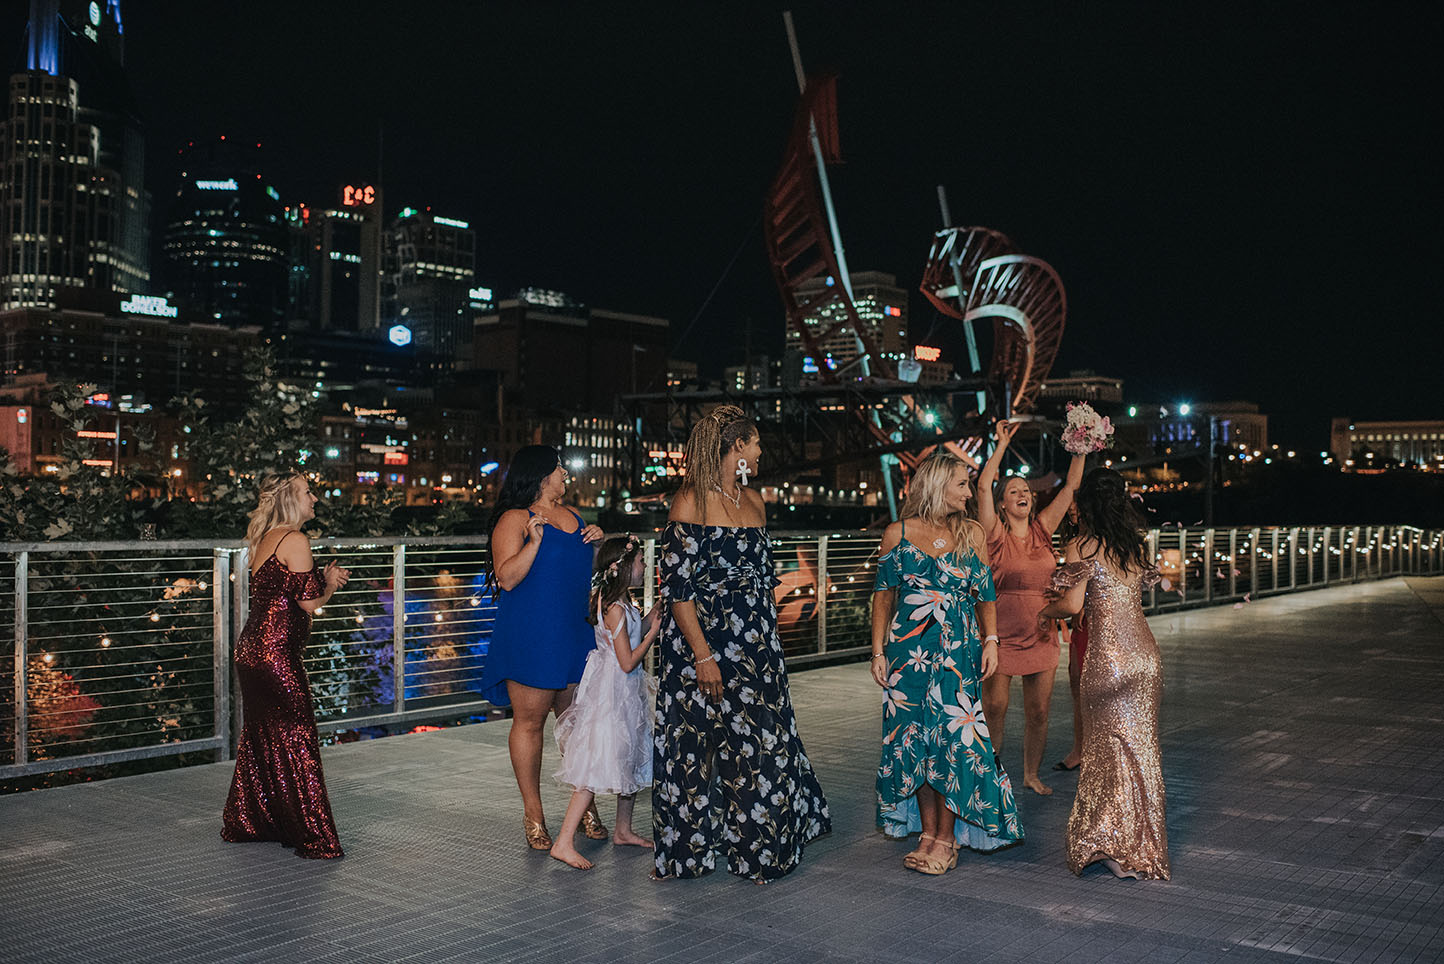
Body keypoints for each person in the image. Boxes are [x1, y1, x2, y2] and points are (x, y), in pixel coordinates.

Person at [653, 404, 831, 881]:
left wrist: (770, 641)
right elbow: (676, 590)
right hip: (699, 647)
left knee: (763, 746)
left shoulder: (755, 502)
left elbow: (762, 580)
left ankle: (759, 852)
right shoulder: (689, 501)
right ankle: (687, 854)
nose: (761, 449)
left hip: (755, 647)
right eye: (755, 442)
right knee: (691, 749)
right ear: (737, 448)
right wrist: (704, 656)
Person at [870, 451, 1022, 875]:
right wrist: (878, 651)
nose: (968, 492)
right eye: (962, 483)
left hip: (958, 652)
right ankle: (928, 831)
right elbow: (883, 596)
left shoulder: (972, 533)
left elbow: (985, 594)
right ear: (937, 485)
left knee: (954, 741)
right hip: (907, 653)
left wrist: (991, 641)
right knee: (914, 739)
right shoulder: (896, 533)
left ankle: (947, 838)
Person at [1039, 468, 1170, 880]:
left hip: (1108, 660)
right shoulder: (1132, 545)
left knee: (1103, 752)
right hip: (1145, 657)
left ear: (1088, 504)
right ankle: (1143, 845)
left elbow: (1074, 605)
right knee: (1141, 751)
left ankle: (1107, 843)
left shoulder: (1081, 546)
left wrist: (1045, 611)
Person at [478, 445, 605, 851]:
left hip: (574, 634)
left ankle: (582, 805)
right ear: (540, 475)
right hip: (532, 636)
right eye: (558, 468)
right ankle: (534, 814)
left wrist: (599, 547)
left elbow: (582, 573)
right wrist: (532, 542)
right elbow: (507, 579)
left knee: (577, 726)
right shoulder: (514, 519)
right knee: (530, 724)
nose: (565, 473)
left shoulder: (576, 517)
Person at [222, 470, 351, 859]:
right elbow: (309, 603)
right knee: (297, 736)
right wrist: (328, 582)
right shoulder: (295, 540)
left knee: (263, 736)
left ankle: (253, 819)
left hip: (252, 651)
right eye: (308, 492)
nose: (315, 498)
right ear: (290, 499)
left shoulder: (267, 539)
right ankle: (312, 836)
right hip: (275, 656)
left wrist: (319, 579)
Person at [976, 419, 1085, 795]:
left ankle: (1030, 774)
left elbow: (1071, 486)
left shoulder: (1042, 530)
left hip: (1041, 634)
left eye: (1026, 489)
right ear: (1004, 503)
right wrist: (1002, 444)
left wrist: (1081, 449)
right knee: (996, 708)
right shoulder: (994, 535)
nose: (1022, 493)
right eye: (1014, 491)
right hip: (1001, 635)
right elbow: (982, 487)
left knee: (1039, 712)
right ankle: (989, 773)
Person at [549, 535, 661, 869]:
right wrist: (654, 634)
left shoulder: (622, 603)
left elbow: (633, 632)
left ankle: (623, 830)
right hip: (613, 694)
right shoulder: (614, 608)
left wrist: (656, 612)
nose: (644, 565)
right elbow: (627, 661)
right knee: (597, 763)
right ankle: (564, 842)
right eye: (640, 560)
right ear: (622, 567)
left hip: (623, 692)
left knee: (628, 755)